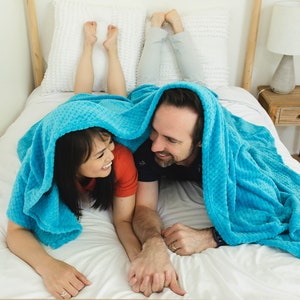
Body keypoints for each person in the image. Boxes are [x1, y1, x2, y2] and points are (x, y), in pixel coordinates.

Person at [6, 21, 141, 300]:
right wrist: (49, 266)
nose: (111, 157)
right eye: (101, 156)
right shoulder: (44, 165)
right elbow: (16, 230)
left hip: (108, 115)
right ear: (70, 166)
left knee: (119, 99)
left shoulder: (121, 158)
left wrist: (138, 257)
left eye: (109, 147)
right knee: (76, 99)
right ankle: (88, 45)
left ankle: (111, 50)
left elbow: (124, 221)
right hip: (73, 126)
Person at [128, 10, 222, 297]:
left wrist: (210, 238)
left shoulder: (215, 149)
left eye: (170, 140)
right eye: (155, 133)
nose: (156, 146)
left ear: (201, 142)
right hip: (153, 102)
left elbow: (270, 207)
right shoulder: (149, 145)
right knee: (144, 88)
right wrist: (153, 243)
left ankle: (177, 28)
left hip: (206, 114)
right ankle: (155, 29)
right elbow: (143, 208)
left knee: (199, 83)